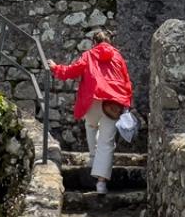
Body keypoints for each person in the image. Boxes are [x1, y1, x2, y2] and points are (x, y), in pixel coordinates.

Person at [49, 30, 133, 194]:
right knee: (107, 142)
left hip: (93, 99)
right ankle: (101, 184)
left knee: (91, 125)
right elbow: (126, 81)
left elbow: (73, 71)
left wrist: (55, 68)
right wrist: (126, 103)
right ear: (109, 42)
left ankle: (93, 158)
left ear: (94, 43)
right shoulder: (118, 57)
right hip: (113, 102)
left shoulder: (88, 55)